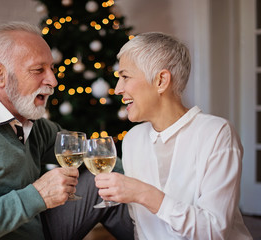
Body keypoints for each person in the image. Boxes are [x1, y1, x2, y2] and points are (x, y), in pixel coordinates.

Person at [0, 21, 133, 240]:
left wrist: (144, 185)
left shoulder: (30, 123)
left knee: (110, 181)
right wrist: (37, 196)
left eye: (51, 69)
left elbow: (89, 152)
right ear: (0, 75)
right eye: (38, 70)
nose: (53, 80)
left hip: (37, 228)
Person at [94, 32, 253, 239]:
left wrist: (144, 194)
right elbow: (141, 229)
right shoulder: (133, 139)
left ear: (161, 80)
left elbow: (214, 231)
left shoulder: (217, 134)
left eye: (125, 77)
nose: (117, 89)